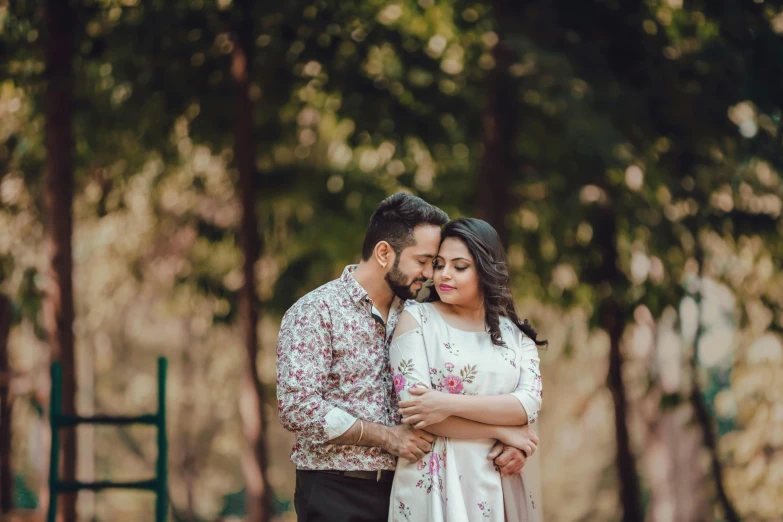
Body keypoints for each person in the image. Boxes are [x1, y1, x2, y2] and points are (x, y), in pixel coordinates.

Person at [277, 194, 535, 522]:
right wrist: (387, 436)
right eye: (425, 261)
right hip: (337, 489)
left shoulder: (421, 314)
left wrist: (515, 442)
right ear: (384, 252)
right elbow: (297, 408)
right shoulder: (317, 311)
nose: (431, 274)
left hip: (410, 490)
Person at [388, 218, 546, 522]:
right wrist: (502, 429)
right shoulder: (417, 320)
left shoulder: (517, 337)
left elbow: (527, 405)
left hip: (498, 478)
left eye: (459, 266)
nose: (444, 275)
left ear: (485, 269)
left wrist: (446, 404)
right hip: (435, 479)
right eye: (439, 264)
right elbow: (418, 414)